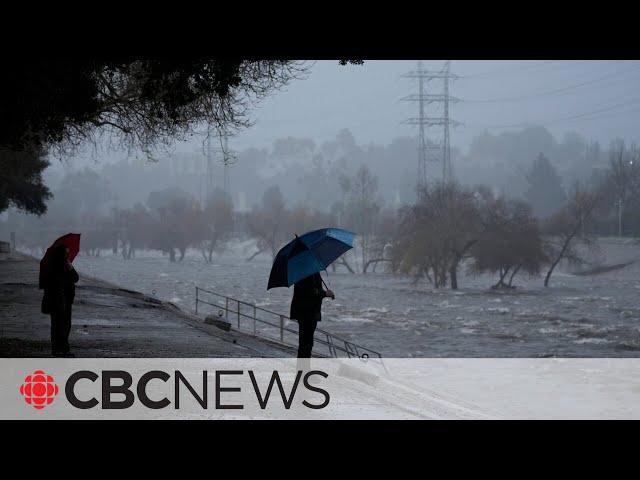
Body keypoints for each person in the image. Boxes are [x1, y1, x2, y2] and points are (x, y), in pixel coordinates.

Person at [43, 244, 79, 357]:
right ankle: (58, 349)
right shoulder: (53, 268)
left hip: (67, 300)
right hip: (57, 301)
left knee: (66, 325)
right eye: (67, 254)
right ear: (61, 255)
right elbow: (51, 286)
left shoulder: (67, 266)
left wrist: (71, 268)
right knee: (58, 326)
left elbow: (75, 278)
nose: (68, 256)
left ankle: (64, 349)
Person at [290, 272, 334, 359]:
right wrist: (325, 293)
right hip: (306, 314)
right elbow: (309, 292)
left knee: (307, 343)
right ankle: (303, 369)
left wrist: (325, 293)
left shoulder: (308, 272)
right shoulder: (305, 273)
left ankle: (303, 368)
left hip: (309, 313)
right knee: (305, 344)